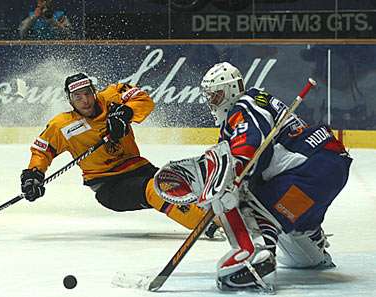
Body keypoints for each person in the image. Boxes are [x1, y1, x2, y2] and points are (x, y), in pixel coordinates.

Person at [153, 62, 352, 292]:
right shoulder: (255, 102)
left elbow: (252, 144)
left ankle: (254, 258)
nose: (212, 102)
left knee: (238, 196)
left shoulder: (243, 107)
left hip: (309, 171)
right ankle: (308, 237)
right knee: (299, 259)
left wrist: (230, 177)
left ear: (231, 91)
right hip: (324, 167)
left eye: (216, 95)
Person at [19, 72, 221, 233]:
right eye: (77, 97)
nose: (85, 100)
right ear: (70, 100)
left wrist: (126, 113)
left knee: (181, 181)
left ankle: (224, 214)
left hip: (139, 168)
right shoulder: (63, 126)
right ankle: (208, 226)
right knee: (155, 189)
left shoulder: (113, 96)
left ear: (94, 91)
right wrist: (33, 176)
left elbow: (144, 99)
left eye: (87, 93)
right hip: (109, 186)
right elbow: (42, 151)